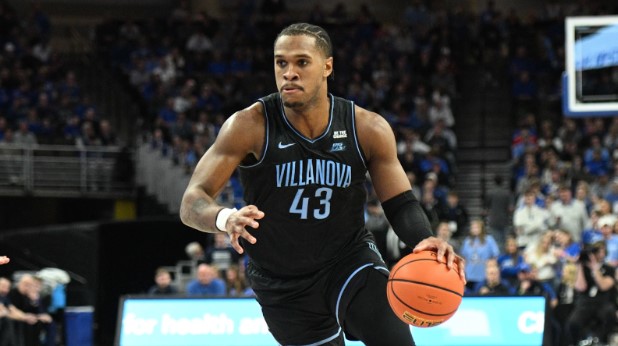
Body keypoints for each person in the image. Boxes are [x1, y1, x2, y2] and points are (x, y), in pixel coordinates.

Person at [180, 22, 465, 346]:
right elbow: (192, 201)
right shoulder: (248, 125)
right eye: (281, 62)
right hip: (281, 282)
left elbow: (399, 202)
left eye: (302, 62)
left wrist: (424, 238)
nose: (289, 72)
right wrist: (225, 218)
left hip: (349, 262)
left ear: (327, 66)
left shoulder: (366, 127)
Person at [565, 241, 616, 346]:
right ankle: (576, 342)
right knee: (572, 322)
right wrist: (579, 266)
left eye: (600, 251)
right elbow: (580, 287)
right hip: (585, 303)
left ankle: (602, 341)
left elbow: (603, 286)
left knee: (608, 314)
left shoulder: (609, 268)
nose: (597, 254)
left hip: (603, 302)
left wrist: (594, 268)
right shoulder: (583, 269)